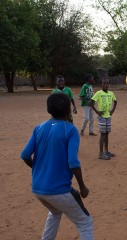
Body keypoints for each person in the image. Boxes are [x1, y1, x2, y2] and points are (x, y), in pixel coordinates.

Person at [20, 93, 94, 239]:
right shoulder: (70, 130)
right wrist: (82, 187)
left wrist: (38, 168)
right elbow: (73, 162)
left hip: (38, 189)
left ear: (49, 109)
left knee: (54, 213)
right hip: (59, 190)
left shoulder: (39, 128)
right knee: (85, 222)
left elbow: (25, 155)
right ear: (68, 110)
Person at [89, 77, 117, 160]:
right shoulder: (99, 93)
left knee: (107, 134)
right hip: (102, 117)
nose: (106, 85)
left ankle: (107, 151)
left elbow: (115, 101)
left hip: (108, 116)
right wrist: (97, 112)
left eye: (107, 83)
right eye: (104, 83)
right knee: (103, 134)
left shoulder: (111, 93)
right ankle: (101, 153)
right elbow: (90, 102)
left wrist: (112, 111)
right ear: (101, 84)